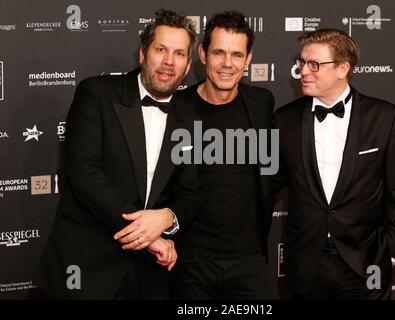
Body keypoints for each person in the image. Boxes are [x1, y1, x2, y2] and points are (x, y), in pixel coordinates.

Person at [34, 9, 199, 299]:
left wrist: (168, 217)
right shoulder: (96, 94)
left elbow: (192, 191)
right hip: (87, 268)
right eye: (161, 50)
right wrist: (149, 237)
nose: (169, 62)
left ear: (187, 67)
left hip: (152, 278)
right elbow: (85, 175)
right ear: (142, 54)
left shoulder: (192, 118)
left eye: (179, 54)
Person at [273, 28, 395, 300]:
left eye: (314, 64)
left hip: (366, 263)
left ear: (342, 69)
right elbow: (267, 183)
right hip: (306, 264)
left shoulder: (385, 118)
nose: (303, 71)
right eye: (302, 63)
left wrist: (393, 253)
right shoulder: (285, 119)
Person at [172, 11, 275, 299]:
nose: (228, 64)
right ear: (203, 54)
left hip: (250, 260)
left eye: (236, 54)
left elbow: (271, 172)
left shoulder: (261, 103)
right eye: (219, 53)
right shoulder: (177, 108)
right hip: (191, 261)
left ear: (248, 59)